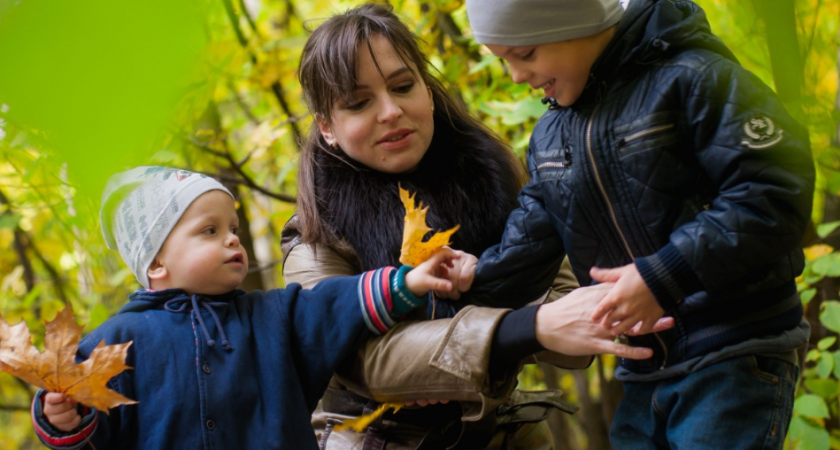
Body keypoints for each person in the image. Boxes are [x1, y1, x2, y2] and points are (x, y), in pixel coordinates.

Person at [285, 4, 671, 449]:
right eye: (358, 102)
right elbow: (366, 363)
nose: (390, 111)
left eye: (404, 86)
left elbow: (573, 327)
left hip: (503, 429)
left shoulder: (495, 181)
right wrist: (530, 328)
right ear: (327, 127)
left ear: (427, 91)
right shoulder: (315, 233)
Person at [463, 0, 815, 449]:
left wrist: (663, 275)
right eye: (503, 60)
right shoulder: (552, 135)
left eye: (525, 54)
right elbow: (530, 237)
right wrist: (474, 277)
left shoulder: (693, 78)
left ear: (576, 20)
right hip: (644, 369)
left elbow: (774, 191)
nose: (515, 75)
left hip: (732, 353)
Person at [29, 166, 460, 450]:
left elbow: (338, 304)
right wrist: (63, 418)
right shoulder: (117, 342)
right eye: (210, 230)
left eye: (233, 228)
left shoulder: (274, 317)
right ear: (156, 263)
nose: (233, 239)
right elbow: (80, 414)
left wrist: (408, 281)